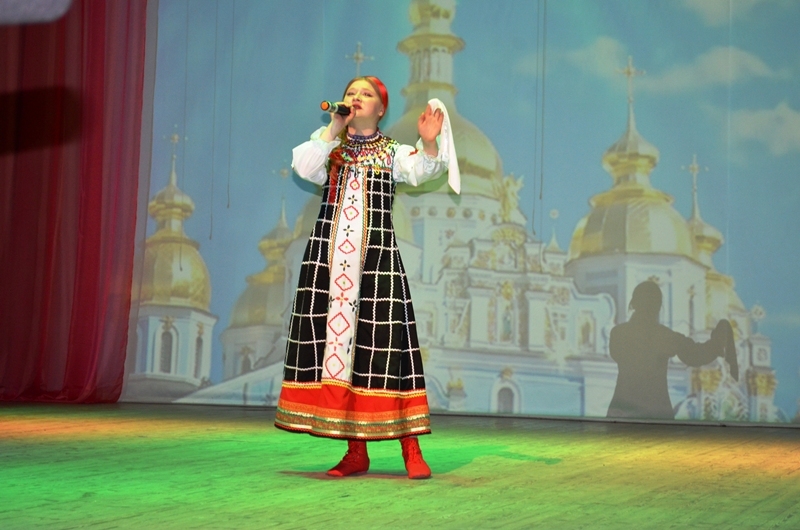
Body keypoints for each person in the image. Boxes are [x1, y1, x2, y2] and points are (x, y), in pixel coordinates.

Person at [274, 76, 458, 479]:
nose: (356, 98)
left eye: (366, 94)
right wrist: (333, 128)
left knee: (387, 350)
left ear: (381, 109)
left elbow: (425, 169)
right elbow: (305, 167)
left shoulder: (392, 152)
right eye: (351, 93)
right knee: (341, 355)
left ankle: (411, 447)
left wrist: (429, 142)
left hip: (376, 262)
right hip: (329, 264)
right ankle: (355, 452)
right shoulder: (330, 146)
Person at [606, 280, 736, 420]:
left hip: (622, 413)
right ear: (658, 307)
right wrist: (717, 343)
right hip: (655, 415)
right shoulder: (663, 335)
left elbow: (617, 354)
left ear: (634, 304)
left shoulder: (618, 333)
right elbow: (695, 355)